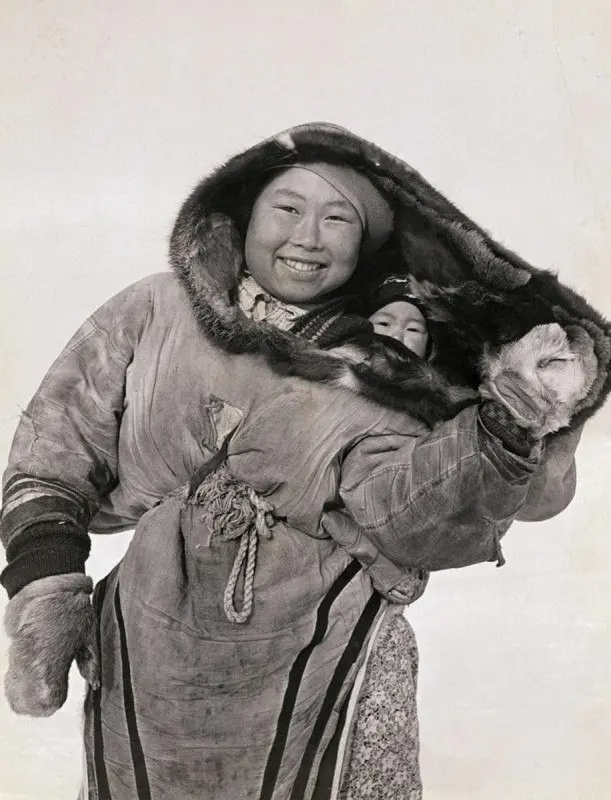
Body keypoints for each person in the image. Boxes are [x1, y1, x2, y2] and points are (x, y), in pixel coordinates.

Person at [1, 123, 609, 800]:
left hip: (338, 661)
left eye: (336, 218)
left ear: (364, 245)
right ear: (243, 214)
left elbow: (418, 513)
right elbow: (55, 442)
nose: (307, 236)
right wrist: (45, 585)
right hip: (150, 650)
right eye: (286, 209)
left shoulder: (393, 372)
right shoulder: (157, 308)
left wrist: (509, 419)